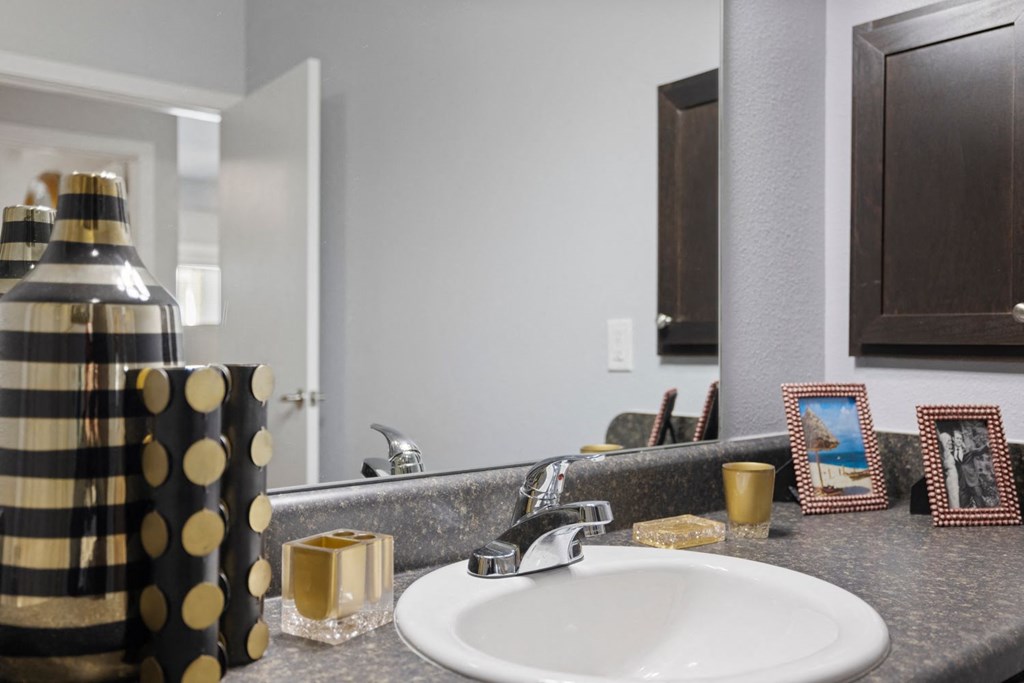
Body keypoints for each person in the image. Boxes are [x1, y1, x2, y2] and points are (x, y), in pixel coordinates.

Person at [938, 431, 960, 508]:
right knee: (953, 494)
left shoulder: (949, 453)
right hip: (950, 476)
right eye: (948, 442)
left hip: (954, 475)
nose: (950, 443)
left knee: (956, 493)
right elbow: (944, 465)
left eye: (951, 441)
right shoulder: (944, 455)